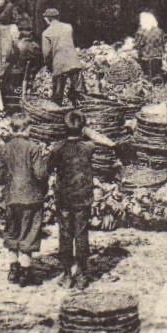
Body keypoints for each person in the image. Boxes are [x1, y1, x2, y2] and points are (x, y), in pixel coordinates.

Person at [49, 110, 114, 289]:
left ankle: (67, 273)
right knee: (81, 234)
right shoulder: (88, 147)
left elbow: (49, 167)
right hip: (83, 197)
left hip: (64, 197)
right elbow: (101, 141)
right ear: (83, 128)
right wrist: (85, 130)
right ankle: (83, 274)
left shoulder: (58, 148)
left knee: (65, 234)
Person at [1, 115, 52, 285]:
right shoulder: (33, 147)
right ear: (26, 129)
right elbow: (40, 174)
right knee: (29, 232)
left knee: (13, 231)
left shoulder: (5, 148)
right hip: (30, 197)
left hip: (11, 197)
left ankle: (12, 269)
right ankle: (25, 272)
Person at [41, 8, 84, 103]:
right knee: (79, 91)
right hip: (74, 62)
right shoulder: (68, 27)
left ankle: (58, 113)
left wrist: (49, 66)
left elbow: (46, 54)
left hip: (59, 64)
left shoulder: (46, 33)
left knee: (57, 94)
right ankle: (82, 109)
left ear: (48, 19)